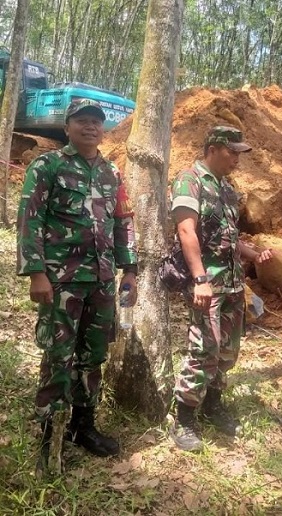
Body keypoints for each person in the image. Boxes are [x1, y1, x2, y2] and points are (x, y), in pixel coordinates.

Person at [17, 99, 138, 472]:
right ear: (67, 127)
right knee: (58, 357)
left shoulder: (111, 173)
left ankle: (82, 426)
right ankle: (48, 438)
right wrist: (36, 272)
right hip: (61, 281)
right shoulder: (48, 165)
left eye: (97, 122)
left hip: (101, 282)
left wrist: (129, 269)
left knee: (93, 356)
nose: (91, 127)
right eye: (82, 121)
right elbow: (30, 219)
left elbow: (123, 221)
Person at [170, 125, 273, 451]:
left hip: (231, 285)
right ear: (214, 148)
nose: (237, 160)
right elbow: (187, 232)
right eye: (233, 152)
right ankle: (184, 417)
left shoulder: (228, 189)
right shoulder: (190, 181)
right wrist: (200, 279)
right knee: (204, 350)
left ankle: (213, 405)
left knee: (227, 351)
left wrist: (254, 254)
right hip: (207, 285)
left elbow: (228, 239)